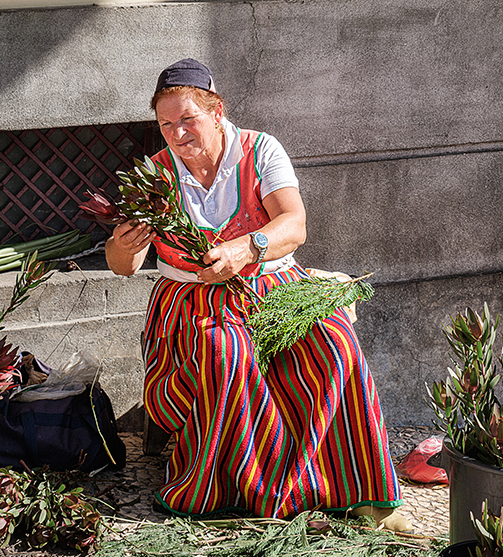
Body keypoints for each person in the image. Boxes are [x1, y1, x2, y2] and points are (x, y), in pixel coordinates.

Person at [106, 59, 409, 531]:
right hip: (191, 299)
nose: (177, 133)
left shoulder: (259, 150)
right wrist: (123, 247)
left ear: (217, 111)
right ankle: (240, 490)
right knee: (225, 352)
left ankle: (352, 486)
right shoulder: (156, 175)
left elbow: (295, 225)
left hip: (272, 286)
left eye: (188, 119)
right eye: (166, 124)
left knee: (335, 343)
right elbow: (123, 267)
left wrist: (248, 247)